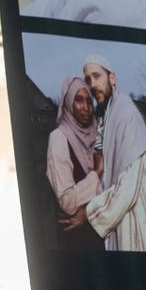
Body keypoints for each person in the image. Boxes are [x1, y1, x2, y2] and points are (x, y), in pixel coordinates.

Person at [60, 55, 146, 252]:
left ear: (112, 78)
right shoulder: (109, 113)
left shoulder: (126, 114)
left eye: (97, 76)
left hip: (134, 221)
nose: (92, 84)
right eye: (88, 79)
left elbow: (127, 187)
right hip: (118, 219)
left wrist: (87, 214)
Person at [46, 76, 104, 251]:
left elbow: (112, 190)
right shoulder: (59, 138)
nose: (86, 108)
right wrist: (96, 172)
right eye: (78, 100)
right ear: (68, 104)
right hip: (77, 241)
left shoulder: (97, 135)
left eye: (89, 101)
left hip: (103, 232)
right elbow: (68, 202)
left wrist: (85, 214)